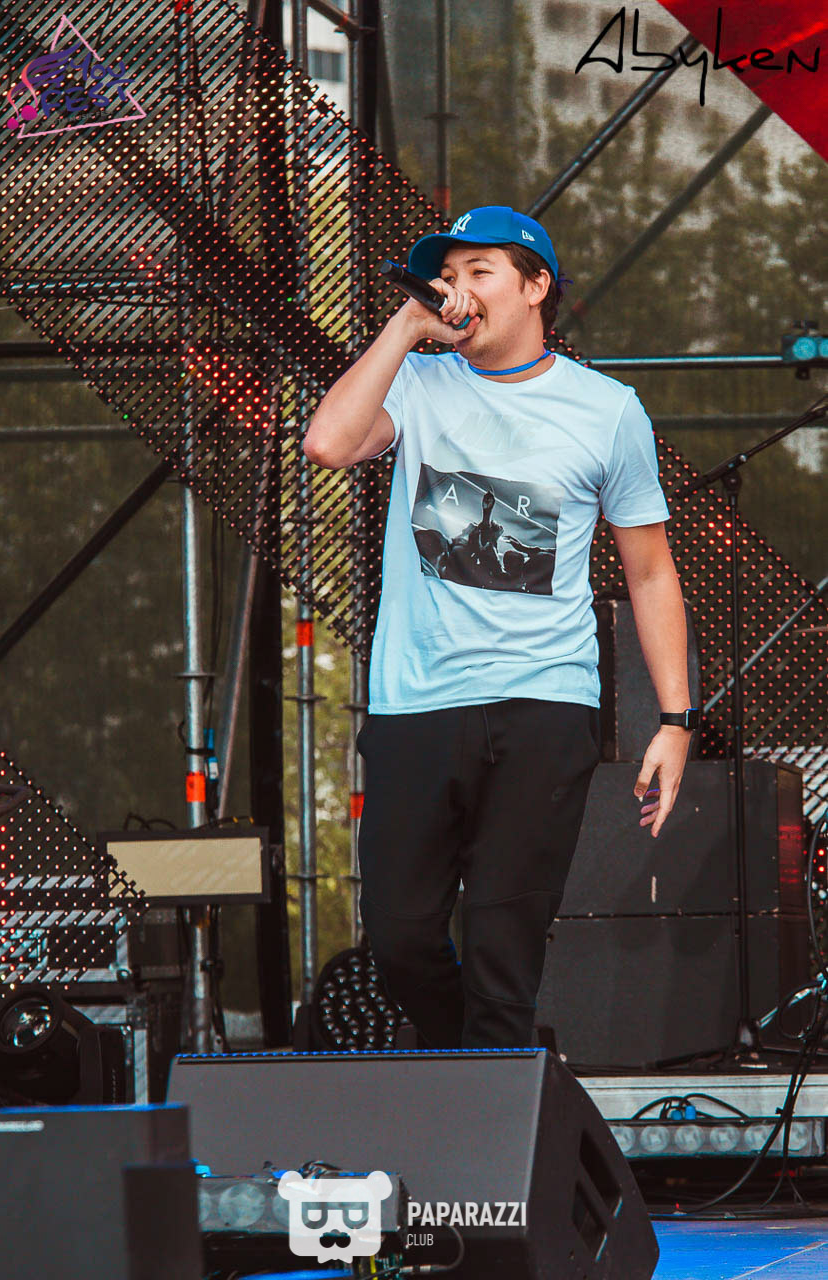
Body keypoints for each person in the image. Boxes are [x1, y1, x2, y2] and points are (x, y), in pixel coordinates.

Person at [304, 205, 698, 1050]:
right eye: (447, 275)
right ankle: (482, 1064)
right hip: (416, 703)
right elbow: (329, 445)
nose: (458, 288)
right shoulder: (415, 384)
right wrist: (405, 327)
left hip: (542, 706)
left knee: (501, 949)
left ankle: (489, 1091)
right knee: (399, 936)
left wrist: (674, 719)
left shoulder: (606, 410)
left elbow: (650, 571)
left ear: (535, 285)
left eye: (479, 271)